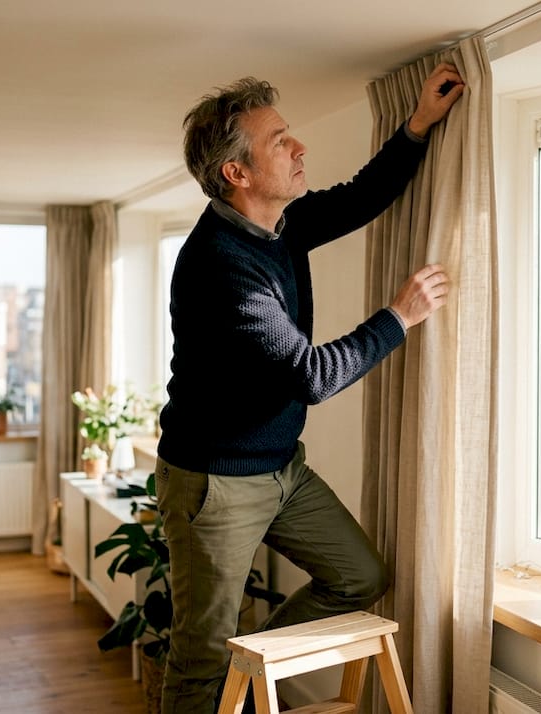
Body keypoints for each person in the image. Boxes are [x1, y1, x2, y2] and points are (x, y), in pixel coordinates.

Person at [155, 63, 464, 712]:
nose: (299, 148)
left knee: (360, 576)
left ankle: (246, 668)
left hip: (280, 469)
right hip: (215, 485)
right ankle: (225, 672)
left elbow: (358, 198)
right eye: (279, 141)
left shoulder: (279, 229)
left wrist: (416, 127)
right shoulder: (221, 266)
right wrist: (400, 315)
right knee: (199, 656)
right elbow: (312, 376)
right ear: (237, 175)